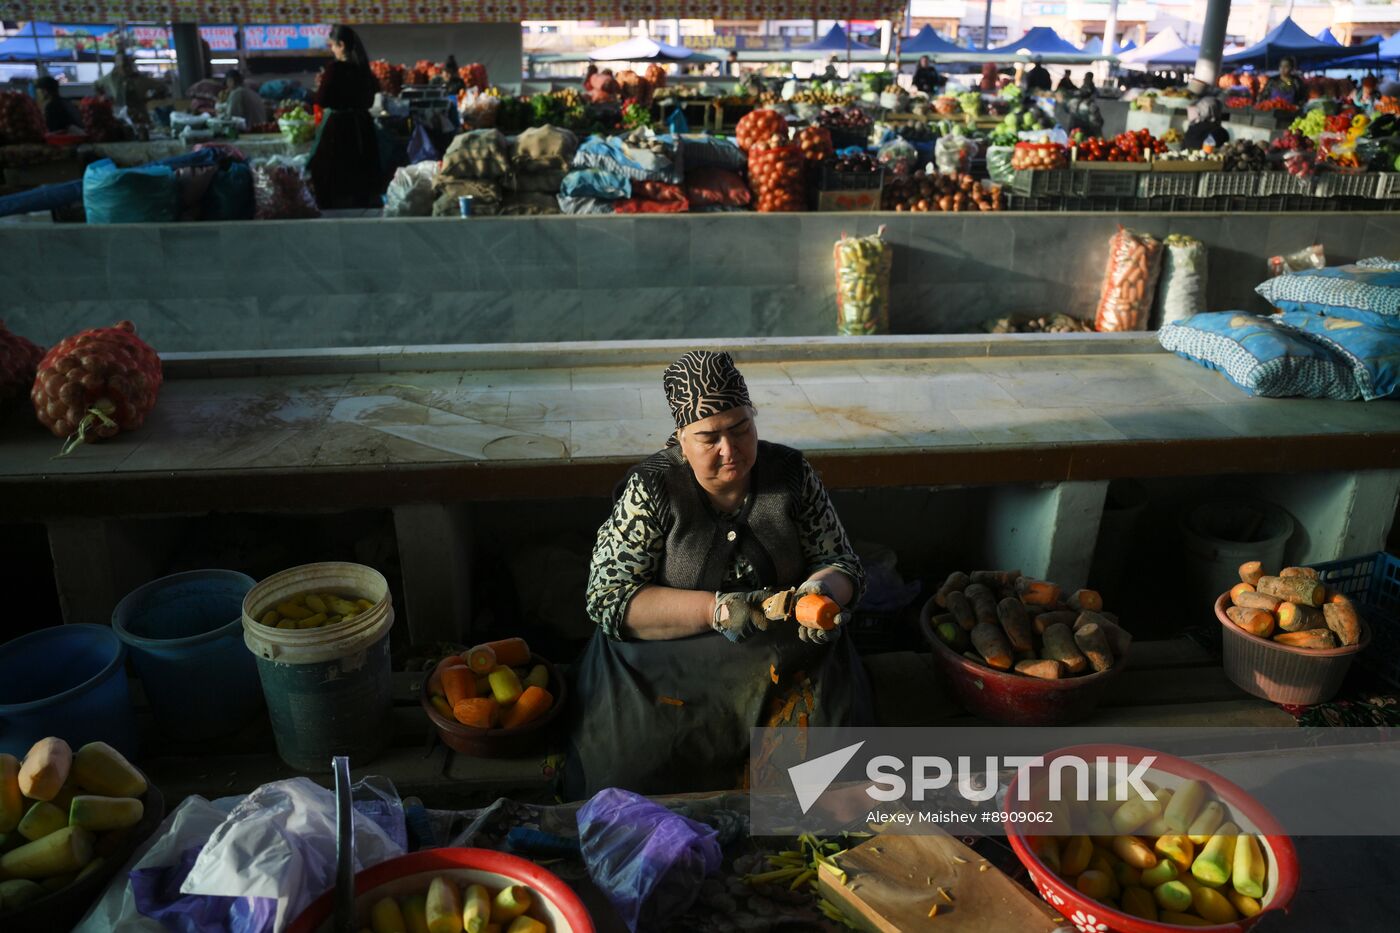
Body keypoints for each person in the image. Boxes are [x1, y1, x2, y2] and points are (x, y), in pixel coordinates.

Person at [566, 351, 871, 799]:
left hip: (783, 653)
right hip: (668, 661)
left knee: (833, 767)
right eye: (709, 438)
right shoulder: (651, 489)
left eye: (740, 429)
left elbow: (843, 562)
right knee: (632, 771)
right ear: (680, 441)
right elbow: (609, 599)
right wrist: (719, 610)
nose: (729, 449)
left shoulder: (791, 475)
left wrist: (820, 592)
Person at [309, 25, 383, 209]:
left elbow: (322, 99)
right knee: (360, 176)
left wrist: (322, 84)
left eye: (333, 46)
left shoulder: (335, 70)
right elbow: (370, 98)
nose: (332, 50)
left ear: (341, 45)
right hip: (362, 128)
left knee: (331, 174)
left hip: (339, 130)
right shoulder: (364, 69)